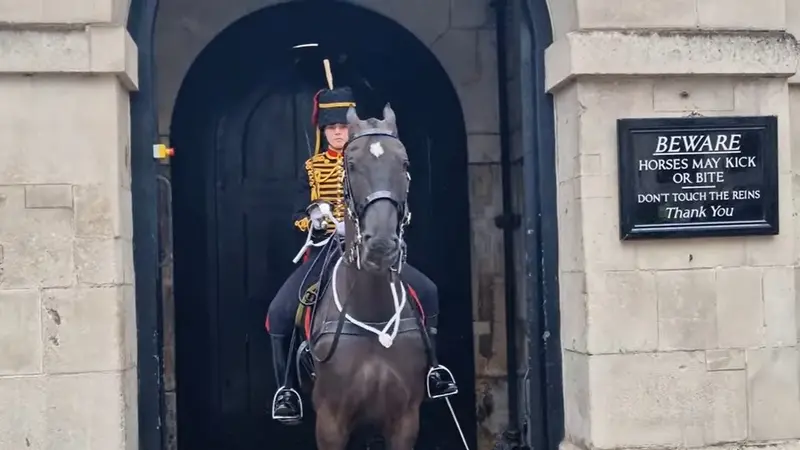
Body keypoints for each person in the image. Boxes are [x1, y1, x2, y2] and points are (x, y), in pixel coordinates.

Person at [265, 85, 457, 426]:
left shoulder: (372, 156)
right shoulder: (312, 168)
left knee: (427, 292)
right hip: (326, 250)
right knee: (279, 312)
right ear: (323, 131)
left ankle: (434, 371)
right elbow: (296, 214)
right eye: (332, 128)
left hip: (370, 245)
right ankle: (287, 391)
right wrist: (315, 218)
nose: (338, 133)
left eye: (343, 127)